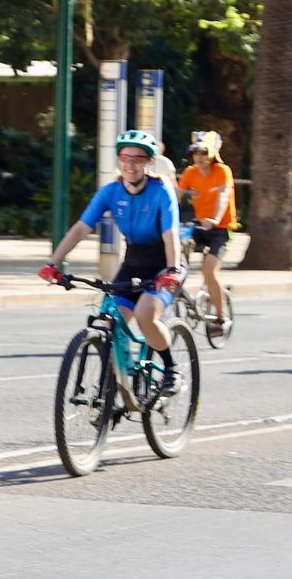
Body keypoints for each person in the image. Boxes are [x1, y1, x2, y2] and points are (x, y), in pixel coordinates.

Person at [39, 129, 186, 396]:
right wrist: (53, 263)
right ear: (119, 159)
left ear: (149, 162)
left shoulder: (161, 192)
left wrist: (173, 270)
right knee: (111, 323)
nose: (131, 164)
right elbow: (81, 229)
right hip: (133, 262)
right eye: (125, 157)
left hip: (164, 263)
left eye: (138, 159)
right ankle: (109, 391)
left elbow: (170, 234)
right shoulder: (110, 192)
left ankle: (170, 370)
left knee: (144, 315)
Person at [176, 130, 237, 338]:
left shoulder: (222, 171)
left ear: (212, 154)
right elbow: (176, 197)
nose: (199, 157)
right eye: (195, 152)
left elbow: (223, 195)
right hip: (199, 227)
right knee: (174, 256)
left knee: (208, 270)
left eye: (204, 152)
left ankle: (219, 317)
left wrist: (216, 219)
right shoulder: (190, 173)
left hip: (221, 229)